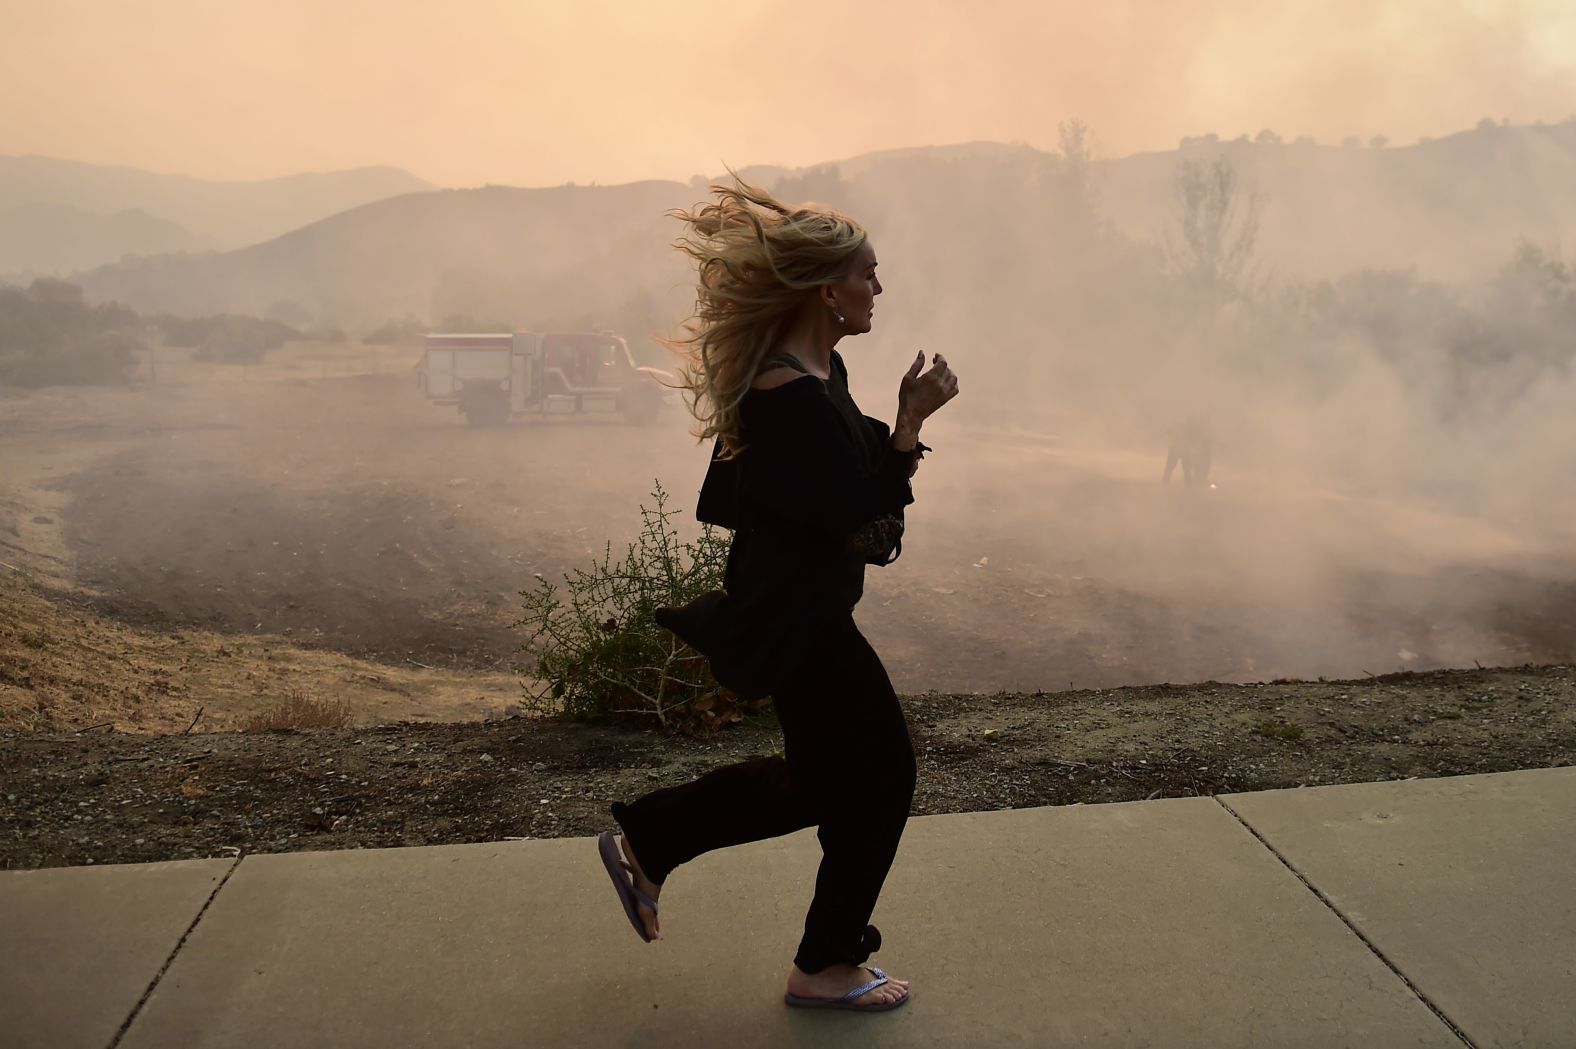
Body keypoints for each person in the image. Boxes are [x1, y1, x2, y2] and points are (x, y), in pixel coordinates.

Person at [597, 178, 959, 1013]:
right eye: (869, 274)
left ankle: (651, 841)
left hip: (804, 610)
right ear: (826, 289)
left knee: (824, 781)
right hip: (802, 623)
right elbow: (861, 521)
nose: (879, 288)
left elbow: (845, 496)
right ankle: (823, 962)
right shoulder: (788, 396)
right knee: (883, 775)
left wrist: (891, 440)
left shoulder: (813, 369)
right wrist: (908, 426)